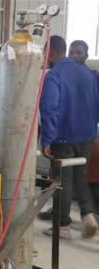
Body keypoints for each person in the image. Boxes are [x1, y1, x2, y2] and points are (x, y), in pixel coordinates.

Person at [39, 35, 99, 239]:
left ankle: (63, 226)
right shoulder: (88, 73)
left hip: (63, 137)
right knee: (81, 178)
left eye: (45, 53)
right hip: (87, 136)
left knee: (62, 180)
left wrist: (47, 139)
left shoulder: (54, 75)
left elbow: (49, 108)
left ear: (52, 52)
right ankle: (88, 215)